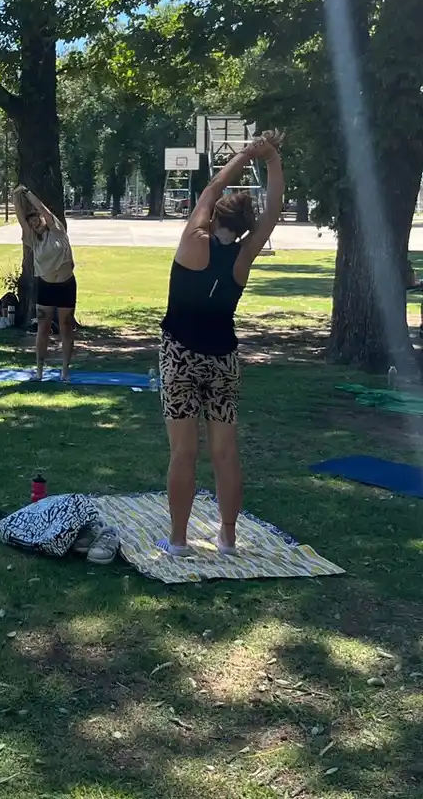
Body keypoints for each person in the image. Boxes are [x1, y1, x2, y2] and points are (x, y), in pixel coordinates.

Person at [158, 129, 284, 555]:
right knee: (225, 453)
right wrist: (271, 160)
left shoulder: (194, 241)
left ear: (213, 219)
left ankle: (178, 540)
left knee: (183, 453)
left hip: (180, 356)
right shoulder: (244, 257)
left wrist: (247, 152)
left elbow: (212, 188)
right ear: (245, 227)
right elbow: (274, 213)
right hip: (223, 361)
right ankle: (227, 536)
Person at [11, 184, 77, 381]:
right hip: (46, 287)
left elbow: (44, 210)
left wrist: (29, 194)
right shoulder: (33, 240)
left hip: (66, 285)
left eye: (36, 220)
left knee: (66, 326)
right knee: (43, 327)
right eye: (31, 222)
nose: (34, 223)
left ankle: (65, 370)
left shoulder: (57, 230)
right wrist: (16, 198)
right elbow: (20, 219)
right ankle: (39, 370)